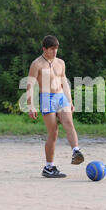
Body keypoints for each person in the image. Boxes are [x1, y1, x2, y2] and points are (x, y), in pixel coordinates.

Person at [27, 35, 84, 178]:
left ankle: (76, 151)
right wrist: (31, 105)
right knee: (53, 133)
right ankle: (49, 167)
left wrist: (70, 100)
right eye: (52, 49)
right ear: (44, 49)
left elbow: (64, 82)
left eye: (56, 49)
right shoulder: (37, 64)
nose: (55, 52)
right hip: (46, 98)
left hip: (60, 96)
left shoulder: (60, 63)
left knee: (69, 123)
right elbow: (30, 85)